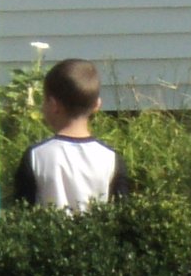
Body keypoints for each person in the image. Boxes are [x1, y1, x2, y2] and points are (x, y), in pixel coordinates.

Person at [11, 59, 132, 211]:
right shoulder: (111, 159)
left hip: (46, 234)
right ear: (97, 105)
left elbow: (21, 212)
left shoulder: (36, 156)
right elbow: (123, 213)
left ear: (53, 105)